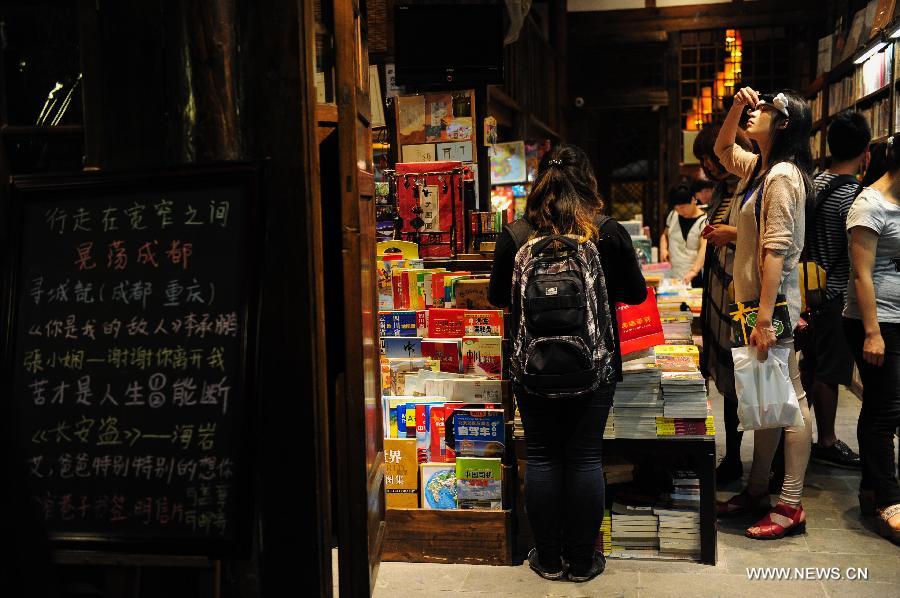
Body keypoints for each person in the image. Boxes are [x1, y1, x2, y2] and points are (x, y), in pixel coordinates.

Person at [488, 144, 646, 581]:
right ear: (588, 181)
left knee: (540, 456)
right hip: (593, 367)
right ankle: (581, 560)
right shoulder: (607, 231)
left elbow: (497, 296)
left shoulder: (517, 233)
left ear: (540, 182)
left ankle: (548, 557)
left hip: (531, 368)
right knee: (583, 457)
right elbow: (634, 293)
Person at [713, 87, 813, 540]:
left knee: (790, 399)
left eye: (765, 111)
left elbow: (776, 250)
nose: (756, 114)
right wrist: (734, 106)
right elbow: (721, 149)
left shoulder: (782, 177)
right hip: (754, 302)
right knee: (769, 396)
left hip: (773, 303)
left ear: (785, 124)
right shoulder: (760, 168)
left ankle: (790, 503)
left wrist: (766, 318)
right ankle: (757, 490)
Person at [799, 110, 869, 469]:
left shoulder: (813, 183)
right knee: (831, 370)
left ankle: (808, 434)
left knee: (812, 365)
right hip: (836, 294)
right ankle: (826, 440)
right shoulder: (856, 196)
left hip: (808, 290)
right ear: (865, 152)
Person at [843, 134, 900, 545]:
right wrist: (872, 332)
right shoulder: (868, 203)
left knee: (889, 404)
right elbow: (861, 273)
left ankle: (871, 486)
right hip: (877, 321)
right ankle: (888, 498)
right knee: (884, 408)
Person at [692, 123, 754, 485]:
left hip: (741, 294)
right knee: (727, 383)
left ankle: (762, 465)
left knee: (748, 382)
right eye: (706, 160)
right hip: (717, 291)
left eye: (713, 158)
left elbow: (776, 238)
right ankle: (733, 456)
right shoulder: (723, 192)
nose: (709, 167)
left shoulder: (752, 187)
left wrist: (731, 235)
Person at [659, 183, 708, 285]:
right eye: (677, 208)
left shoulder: (704, 221)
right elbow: (665, 235)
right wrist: (663, 249)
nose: (681, 211)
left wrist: (693, 271)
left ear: (693, 200)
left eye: (683, 207)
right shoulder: (673, 215)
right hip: (673, 274)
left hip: (694, 277)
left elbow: (704, 248)